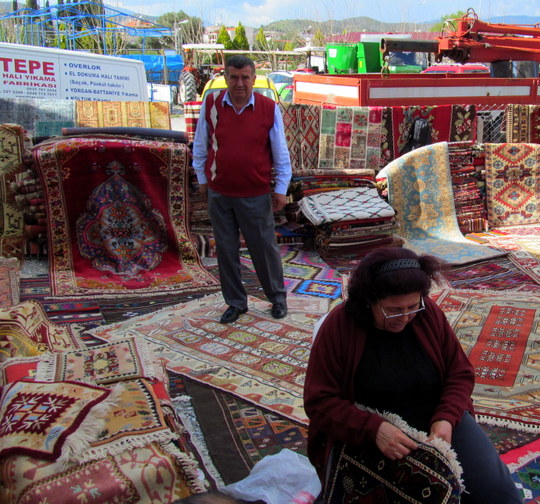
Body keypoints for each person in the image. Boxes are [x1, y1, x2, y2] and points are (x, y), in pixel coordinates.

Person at [304, 247, 522, 504]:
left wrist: (446, 418)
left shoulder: (427, 314)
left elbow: (459, 373)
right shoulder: (339, 327)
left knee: (499, 496)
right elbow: (319, 401)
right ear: (369, 301)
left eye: (412, 306)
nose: (405, 318)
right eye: (393, 310)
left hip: (434, 416)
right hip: (370, 428)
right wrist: (374, 429)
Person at [192, 55, 292, 324]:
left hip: (255, 193)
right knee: (226, 250)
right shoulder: (211, 104)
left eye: (245, 77)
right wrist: (202, 179)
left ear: (253, 79)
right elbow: (200, 145)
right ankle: (236, 303)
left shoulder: (268, 108)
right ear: (225, 77)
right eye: (234, 77)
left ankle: (277, 298)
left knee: (264, 249)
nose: (239, 83)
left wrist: (280, 188)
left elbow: (280, 153)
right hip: (220, 192)